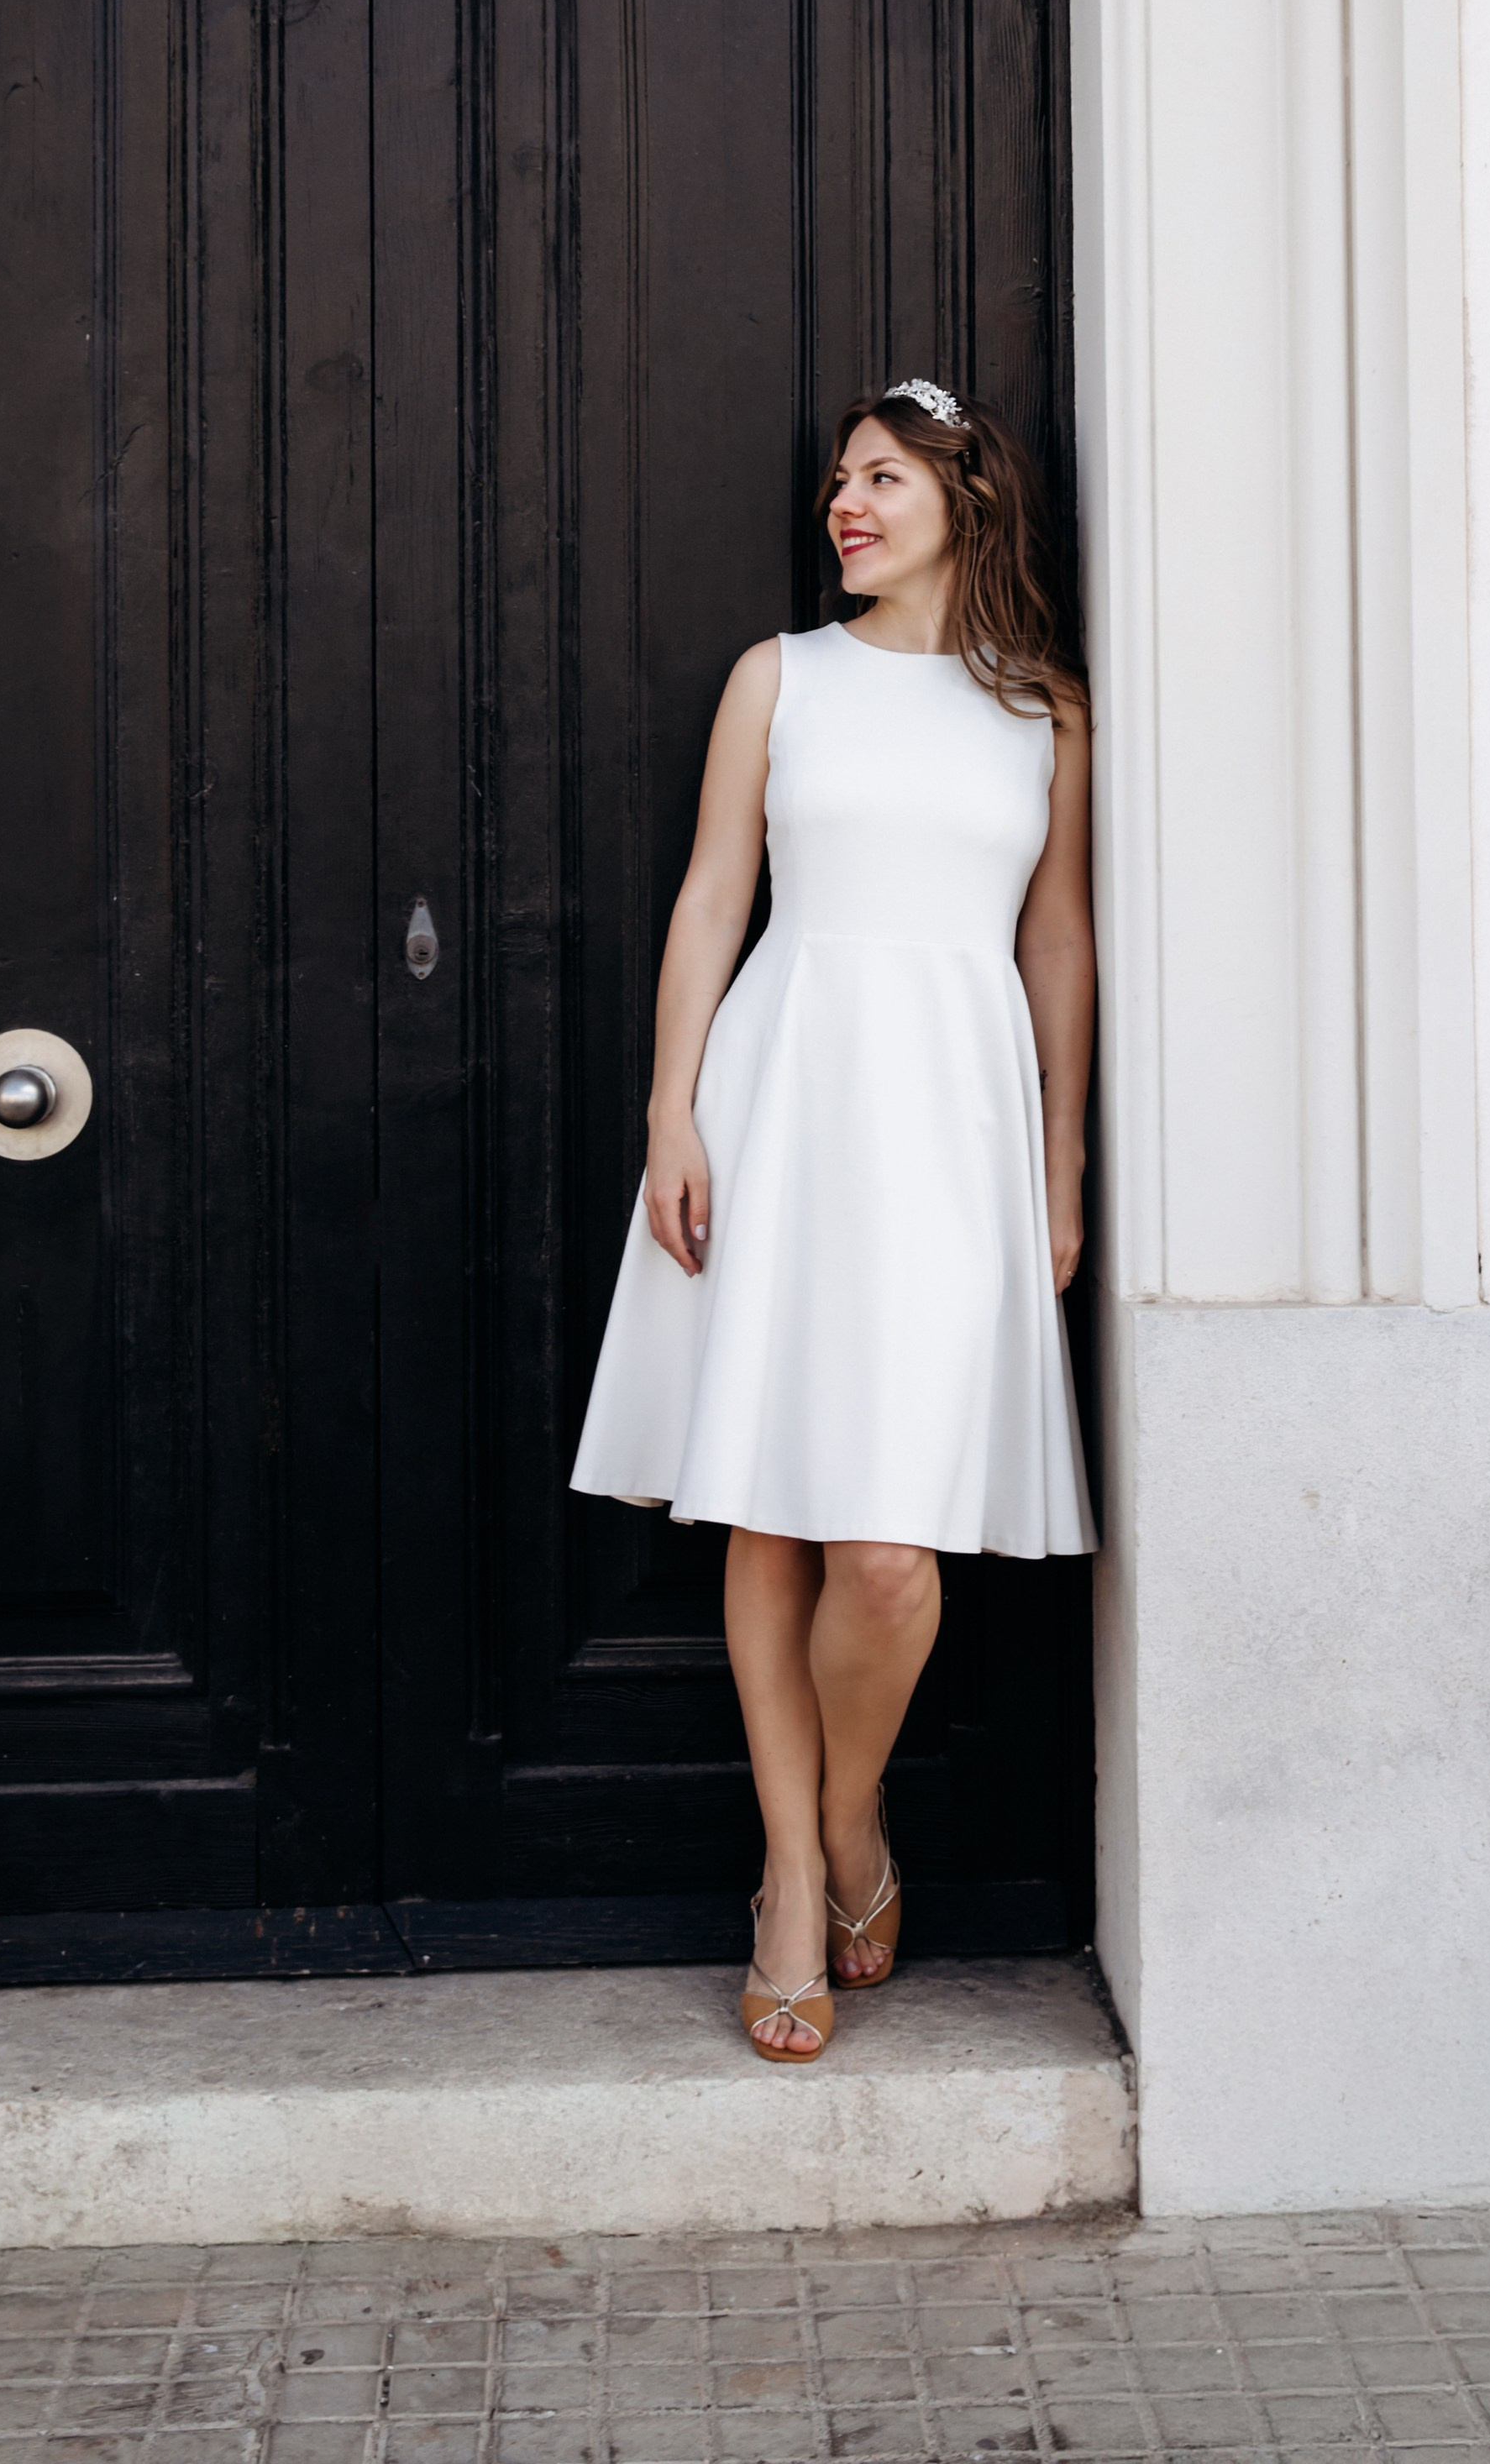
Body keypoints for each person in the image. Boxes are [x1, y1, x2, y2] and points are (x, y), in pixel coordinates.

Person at [569, 379, 1099, 2064]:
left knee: (886, 1549)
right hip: (784, 1088)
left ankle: (851, 1810)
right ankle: (793, 1873)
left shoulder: (1045, 715)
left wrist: (1062, 1158)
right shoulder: (776, 677)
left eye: (880, 476)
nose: (844, 505)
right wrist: (670, 1111)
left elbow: (1056, 941)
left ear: (968, 498)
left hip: (952, 1119)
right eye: (835, 484)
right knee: (771, 1507)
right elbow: (714, 889)